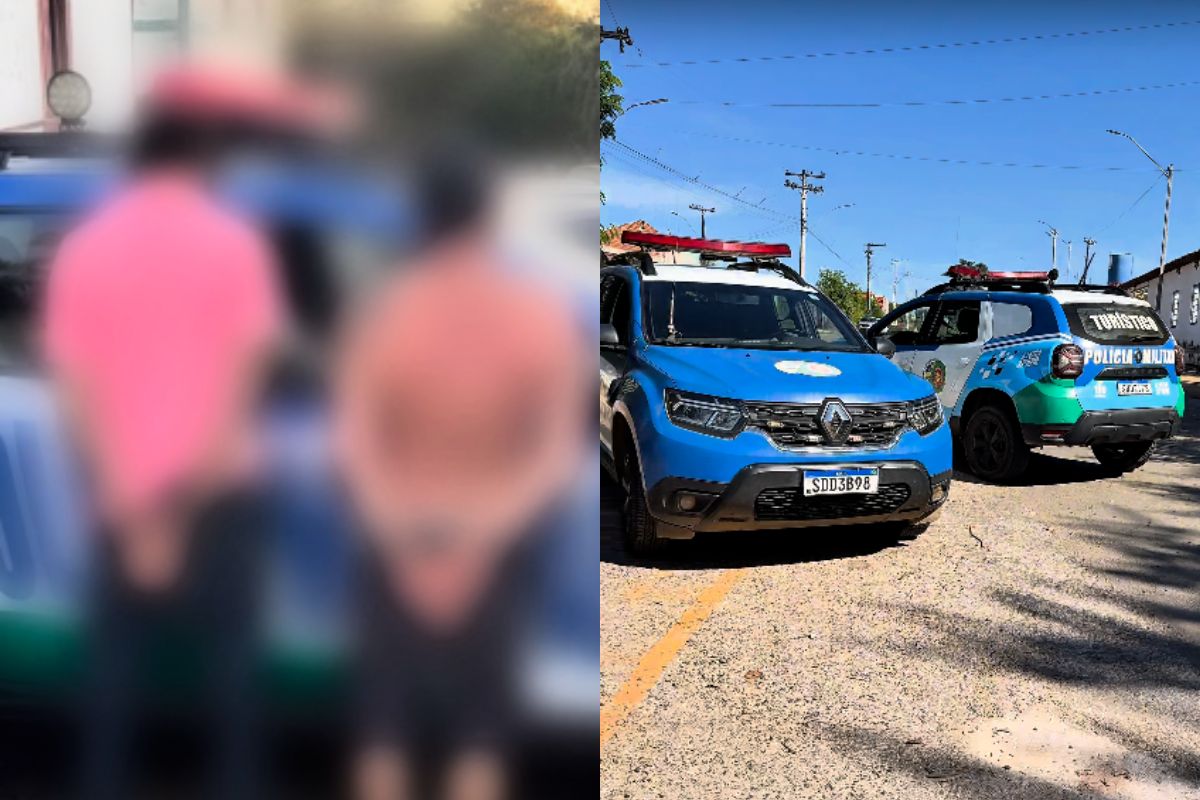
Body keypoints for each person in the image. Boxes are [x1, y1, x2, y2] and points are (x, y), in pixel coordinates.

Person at [41, 110, 284, 799]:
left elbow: (75, 391)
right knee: (233, 692)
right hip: (219, 497)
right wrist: (182, 510)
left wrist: (138, 512)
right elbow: (243, 385)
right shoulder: (236, 243)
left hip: (121, 500)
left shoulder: (86, 248)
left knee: (111, 695)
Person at [334, 149, 587, 800]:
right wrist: (481, 539)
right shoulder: (534, 314)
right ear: (487, 218)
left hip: (395, 540)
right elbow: (555, 450)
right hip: (499, 545)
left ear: (422, 219)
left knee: (384, 734)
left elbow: (355, 441)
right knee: (481, 738)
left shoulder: (385, 311)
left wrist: (403, 542)